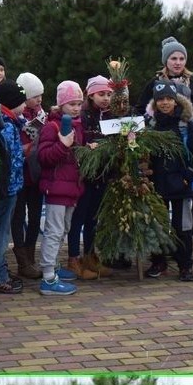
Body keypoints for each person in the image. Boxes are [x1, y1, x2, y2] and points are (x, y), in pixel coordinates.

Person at [146, 81, 193, 282]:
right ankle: (159, 262)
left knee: (183, 227)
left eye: (169, 99)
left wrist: (188, 176)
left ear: (175, 101)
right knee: (158, 226)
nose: (165, 103)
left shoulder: (185, 125)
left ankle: (185, 266)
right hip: (156, 185)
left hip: (181, 186)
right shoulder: (150, 125)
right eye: (160, 99)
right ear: (155, 102)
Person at [37, 81, 86, 297]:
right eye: (72, 104)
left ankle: (54, 265)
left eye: (79, 104)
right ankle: (48, 277)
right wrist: (62, 145)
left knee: (63, 229)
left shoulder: (77, 125)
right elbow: (44, 157)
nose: (76, 108)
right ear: (61, 104)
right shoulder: (52, 126)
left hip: (72, 188)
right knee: (54, 231)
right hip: (57, 188)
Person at [66, 74, 114, 281]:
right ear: (91, 95)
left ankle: (90, 256)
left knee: (93, 218)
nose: (106, 98)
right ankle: (73, 258)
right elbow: (77, 143)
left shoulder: (110, 115)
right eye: (101, 94)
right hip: (84, 176)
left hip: (102, 174)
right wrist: (89, 147)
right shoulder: (83, 115)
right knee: (79, 217)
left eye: (109, 94)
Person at [0, 82, 27, 295]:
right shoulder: (6, 125)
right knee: (0, 234)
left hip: (6, 187)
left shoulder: (7, 121)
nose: (25, 106)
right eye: (22, 102)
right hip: (6, 189)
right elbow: (8, 159)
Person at [10, 72, 47, 281]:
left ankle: (30, 257)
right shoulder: (17, 117)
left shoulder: (42, 115)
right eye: (34, 96)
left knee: (34, 217)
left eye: (41, 95)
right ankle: (22, 260)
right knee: (17, 217)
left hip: (36, 174)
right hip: (19, 175)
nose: (39, 99)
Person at [136, 37, 193, 132]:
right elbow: (140, 110)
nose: (178, 63)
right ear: (166, 60)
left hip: (188, 134)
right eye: (174, 58)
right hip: (160, 134)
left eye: (182, 59)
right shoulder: (154, 83)